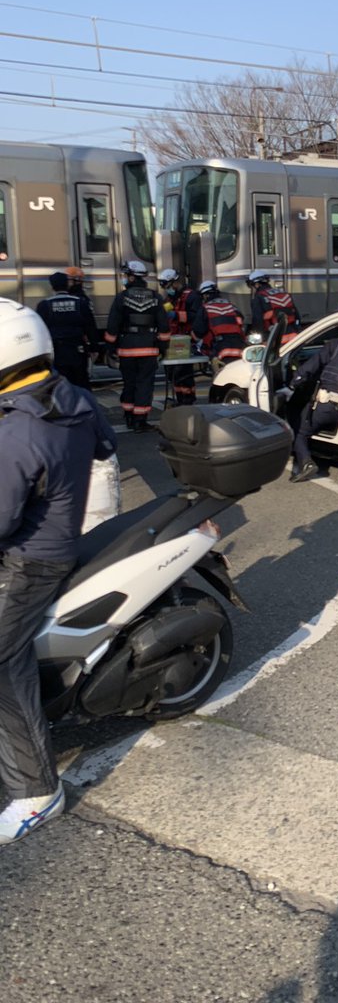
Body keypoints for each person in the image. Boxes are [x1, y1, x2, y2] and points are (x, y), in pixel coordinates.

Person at [0, 299, 117, 843]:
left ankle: (36, 791)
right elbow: (104, 446)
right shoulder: (75, 397)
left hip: (28, 561)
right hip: (60, 538)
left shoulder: (18, 432)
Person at [286, 323, 338, 482]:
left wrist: (294, 382)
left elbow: (310, 368)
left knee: (300, 431)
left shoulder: (336, 344)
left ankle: (306, 463)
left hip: (327, 406)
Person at [104, 260, 170, 432]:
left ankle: (129, 416)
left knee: (129, 383)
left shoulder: (121, 298)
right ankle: (140, 421)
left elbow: (113, 326)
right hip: (149, 348)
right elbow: (164, 325)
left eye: (126, 276)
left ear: (132, 277)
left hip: (127, 349)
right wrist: (163, 347)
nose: (125, 279)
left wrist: (110, 347)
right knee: (144, 384)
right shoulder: (156, 297)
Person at [36, 271, 99, 390]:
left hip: (57, 351)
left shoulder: (45, 305)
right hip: (77, 349)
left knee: (60, 384)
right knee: (81, 381)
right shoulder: (80, 302)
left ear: (52, 286)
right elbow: (90, 326)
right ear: (67, 285)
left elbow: (40, 331)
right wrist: (94, 348)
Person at [159, 268, 201, 405]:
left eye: (168, 286)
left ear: (175, 282)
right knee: (172, 373)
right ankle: (180, 398)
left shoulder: (192, 296)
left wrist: (176, 315)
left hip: (185, 339)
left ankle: (188, 399)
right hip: (173, 339)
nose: (167, 289)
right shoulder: (171, 298)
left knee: (184, 372)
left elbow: (197, 317)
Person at [192, 280, 245, 372]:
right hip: (239, 345)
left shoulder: (205, 308)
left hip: (219, 348)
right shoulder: (231, 305)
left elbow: (198, 331)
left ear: (205, 295)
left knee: (221, 376)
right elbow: (240, 321)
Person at [247, 270, 300, 337]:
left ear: (257, 285)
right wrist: (297, 329)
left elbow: (257, 320)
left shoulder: (258, 298)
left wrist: (259, 335)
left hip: (274, 335)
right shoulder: (284, 294)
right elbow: (297, 316)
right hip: (292, 333)